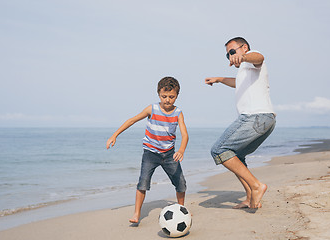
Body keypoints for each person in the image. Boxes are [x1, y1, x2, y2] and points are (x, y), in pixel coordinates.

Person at [205, 37, 276, 209]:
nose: (230, 57)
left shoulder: (251, 58)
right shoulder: (246, 71)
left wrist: (243, 57)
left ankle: (257, 186)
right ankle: (250, 196)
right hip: (265, 120)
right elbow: (237, 84)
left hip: (255, 117)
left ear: (244, 48)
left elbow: (259, 58)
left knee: (219, 150)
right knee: (236, 155)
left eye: (232, 52)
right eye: (227, 55)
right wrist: (219, 79)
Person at [106, 76, 189, 223]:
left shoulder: (178, 113)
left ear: (177, 96)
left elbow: (184, 134)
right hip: (150, 154)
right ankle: (136, 214)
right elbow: (132, 120)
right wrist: (115, 135)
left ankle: (182, 210)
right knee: (143, 183)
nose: (167, 100)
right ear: (158, 94)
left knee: (180, 182)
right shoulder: (152, 108)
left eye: (171, 97)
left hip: (170, 154)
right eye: (164, 96)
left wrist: (181, 150)